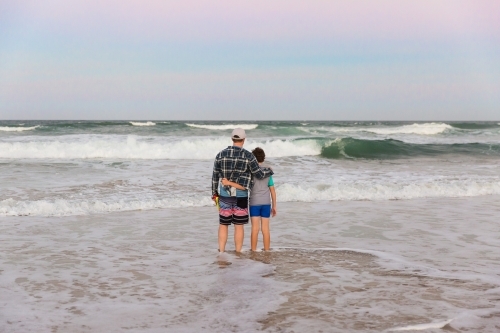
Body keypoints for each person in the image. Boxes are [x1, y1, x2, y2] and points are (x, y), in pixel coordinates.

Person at [212, 128, 273, 253]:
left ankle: (222, 253)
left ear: (232, 139)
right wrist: (270, 171)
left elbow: (214, 177)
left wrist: (214, 193)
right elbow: (260, 174)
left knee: (223, 224)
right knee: (238, 226)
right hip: (241, 195)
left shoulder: (220, 154)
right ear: (243, 140)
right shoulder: (248, 156)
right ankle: (238, 253)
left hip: (225, 194)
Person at [222, 147, 276, 251]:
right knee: (265, 229)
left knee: (255, 229)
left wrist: (229, 182)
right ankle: (267, 251)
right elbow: (272, 190)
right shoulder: (268, 172)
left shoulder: (251, 172)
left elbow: (244, 186)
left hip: (254, 203)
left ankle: (254, 251)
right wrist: (274, 206)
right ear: (263, 158)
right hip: (266, 203)